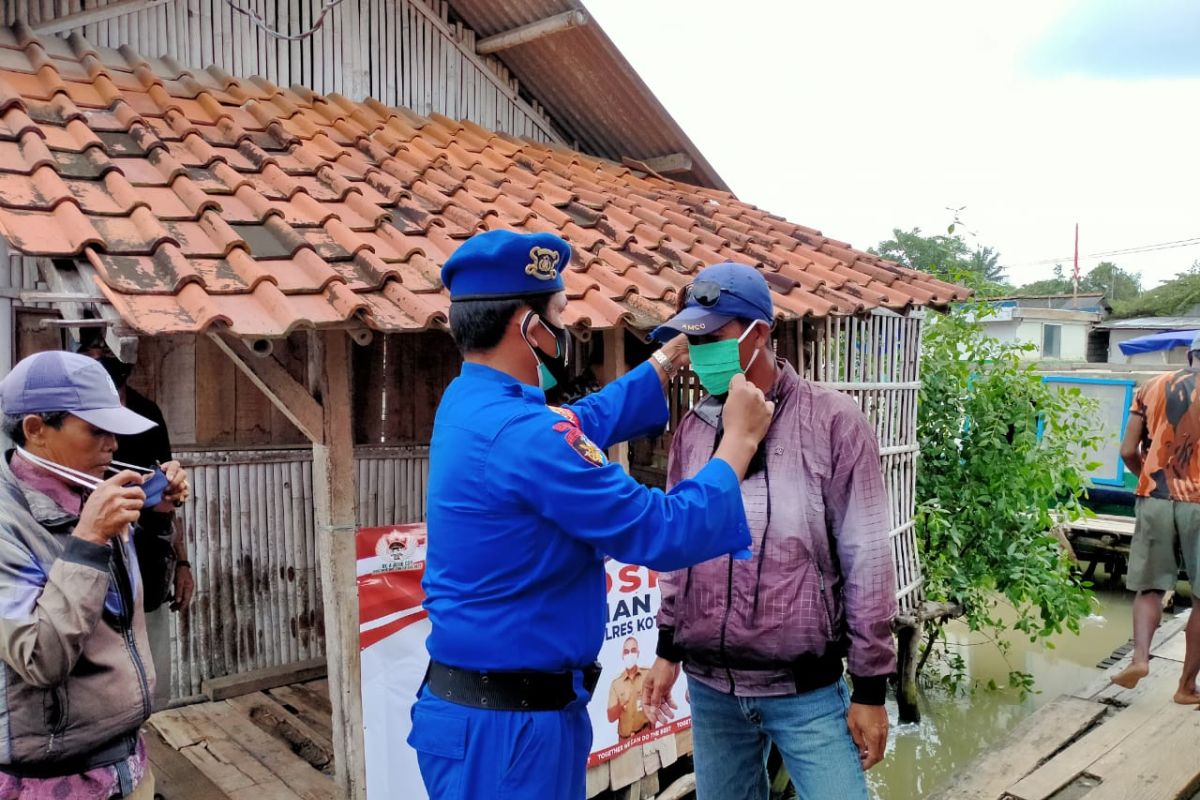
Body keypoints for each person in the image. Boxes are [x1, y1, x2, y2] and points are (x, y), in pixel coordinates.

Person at [409, 230, 775, 800]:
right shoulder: (526, 435)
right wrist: (739, 443)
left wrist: (661, 363)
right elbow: (661, 529)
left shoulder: (470, 402)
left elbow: (573, 424)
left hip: (481, 713)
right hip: (511, 732)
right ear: (530, 329)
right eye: (557, 315)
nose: (565, 330)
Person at [641, 262, 897, 800]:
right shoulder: (692, 430)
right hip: (710, 689)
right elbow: (678, 551)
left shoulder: (832, 422)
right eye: (694, 337)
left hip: (804, 691)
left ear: (759, 333)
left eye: (714, 336)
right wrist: (668, 648)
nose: (701, 349)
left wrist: (870, 687)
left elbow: (868, 560)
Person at [0, 351, 190, 799]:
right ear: (35, 429)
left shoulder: (92, 494)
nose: (114, 445)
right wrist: (88, 541)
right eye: (96, 430)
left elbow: (121, 607)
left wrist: (160, 510)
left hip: (127, 765)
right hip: (50, 785)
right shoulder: (9, 524)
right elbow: (40, 658)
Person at [80, 337, 194, 710]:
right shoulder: (72, 425)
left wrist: (182, 562)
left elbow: (167, 497)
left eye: (110, 355)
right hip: (92, 571)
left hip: (146, 559)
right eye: (94, 354)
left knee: (149, 670)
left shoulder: (147, 414)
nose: (110, 444)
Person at [1115, 333, 1200, 704]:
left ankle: (1139, 659)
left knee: (1149, 589)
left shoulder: (1150, 387)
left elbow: (1127, 450)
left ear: (1189, 354)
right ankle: (1185, 687)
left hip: (1154, 495)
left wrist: (1147, 478)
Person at [607, 637, 651, 739]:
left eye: (633, 650)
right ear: (622, 655)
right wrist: (619, 707)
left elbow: (656, 702)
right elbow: (611, 717)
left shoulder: (647, 674)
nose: (630, 655)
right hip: (624, 740)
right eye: (626, 652)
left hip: (645, 733)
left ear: (638, 653)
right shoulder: (616, 683)